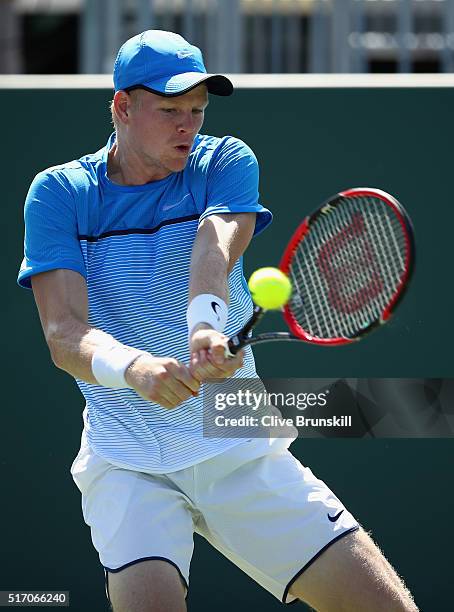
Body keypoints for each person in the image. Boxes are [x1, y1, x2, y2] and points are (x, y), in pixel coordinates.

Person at [18, 30, 418, 612]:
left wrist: (205, 327)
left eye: (198, 110)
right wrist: (135, 368)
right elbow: (63, 333)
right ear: (122, 108)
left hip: (234, 433)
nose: (190, 125)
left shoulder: (225, 160)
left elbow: (214, 246)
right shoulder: (59, 193)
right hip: (127, 459)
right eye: (171, 109)